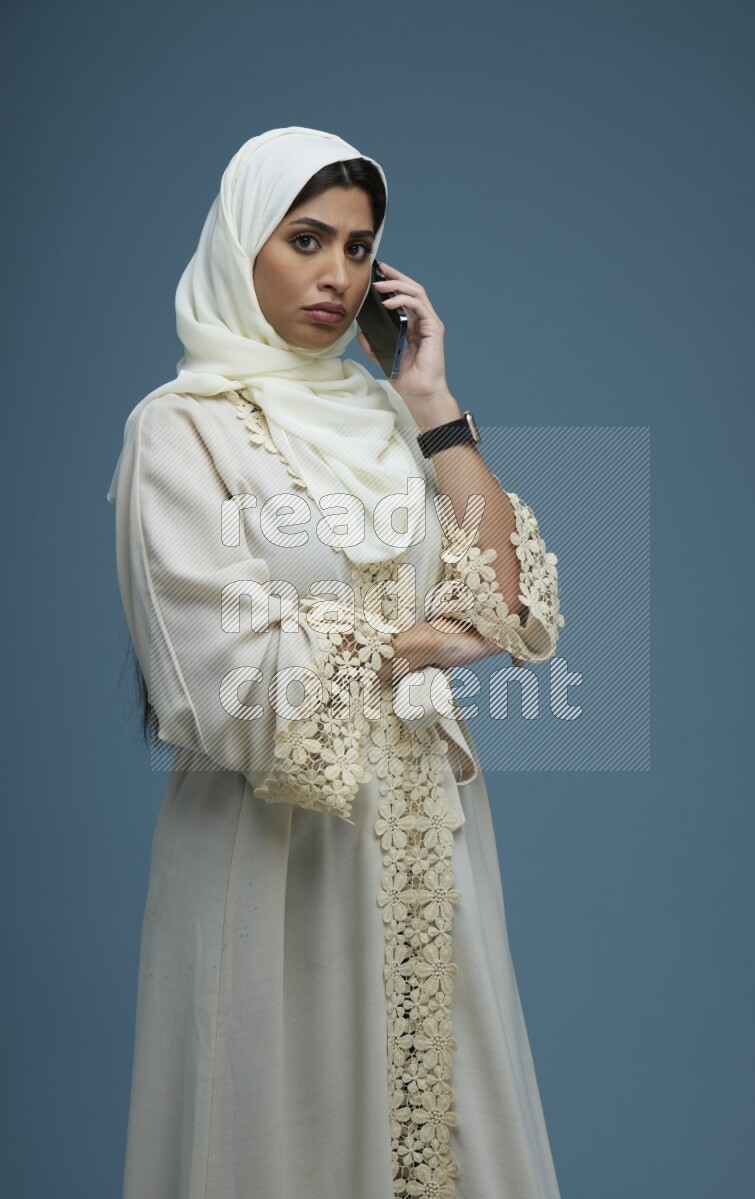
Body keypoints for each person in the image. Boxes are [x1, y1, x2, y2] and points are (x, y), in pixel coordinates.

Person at [108, 125, 566, 1199]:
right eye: (305, 238)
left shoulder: (382, 416)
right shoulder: (181, 431)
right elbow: (208, 660)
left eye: (359, 249)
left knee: (450, 1129)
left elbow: (503, 594)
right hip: (272, 839)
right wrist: (411, 642)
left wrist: (432, 405)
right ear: (239, 245)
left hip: (423, 837)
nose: (336, 273)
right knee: (279, 1128)